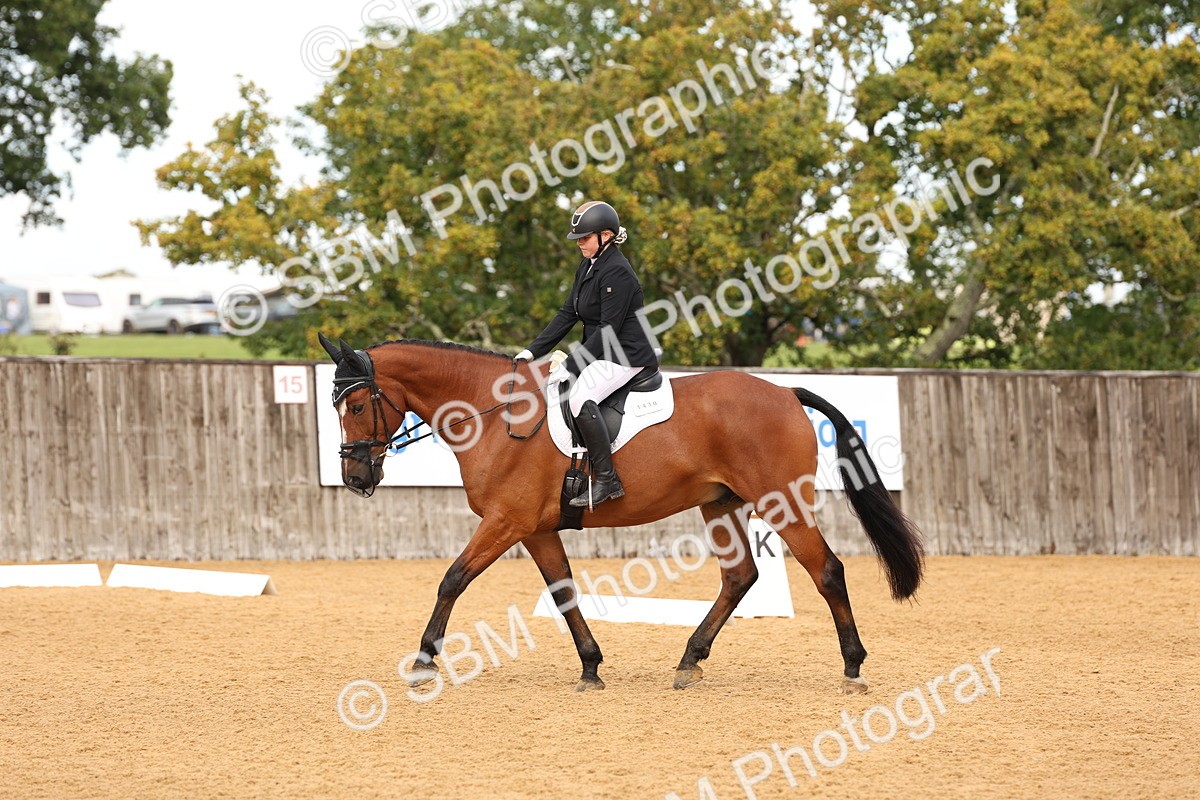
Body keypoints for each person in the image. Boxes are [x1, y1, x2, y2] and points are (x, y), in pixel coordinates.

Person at [515, 200, 659, 508]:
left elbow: (608, 330)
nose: (579, 242)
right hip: (603, 350)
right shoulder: (589, 264)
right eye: (578, 238)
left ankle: (607, 479)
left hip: (626, 355)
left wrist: (570, 363)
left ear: (605, 236)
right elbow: (568, 313)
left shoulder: (617, 271)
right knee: (555, 387)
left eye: (585, 237)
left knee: (579, 397)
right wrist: (530, 352)